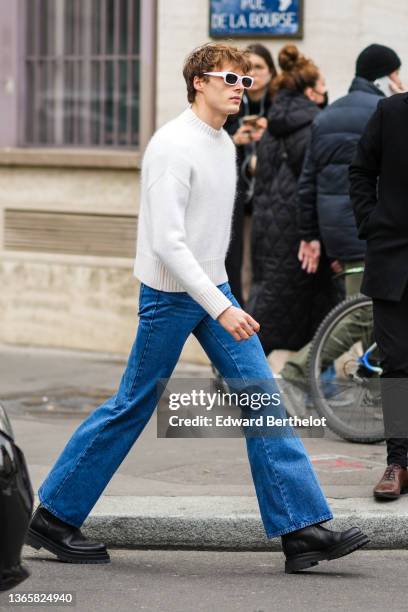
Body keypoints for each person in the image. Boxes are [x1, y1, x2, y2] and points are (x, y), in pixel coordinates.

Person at [26, 42, 368, 573]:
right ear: (198, 83)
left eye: (244, 81)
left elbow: (210, 237)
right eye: (230, 79)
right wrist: (221, 304)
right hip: (169, 296)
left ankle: (301, 530)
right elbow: (168, 242)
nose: (240, 88)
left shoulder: (222, 144)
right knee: (133, 405)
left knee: (262, 398)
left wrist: (224, 295)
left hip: (213, 289)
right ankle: (54, 515)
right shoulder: (172, 146)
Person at [280, 44, 403, 395]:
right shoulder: (385, 112)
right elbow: (380, 177)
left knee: (374, 317)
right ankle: (296, 371)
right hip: (374, 231)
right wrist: (372, 222)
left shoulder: (328, 114)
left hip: (341, 230)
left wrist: (312, 234)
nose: (399, 80)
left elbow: (309, 181)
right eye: (394, 73)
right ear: (382, 76)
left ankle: (380, 398)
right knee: (365, 315)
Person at [246, 45, 341, 359]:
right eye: (324, 86)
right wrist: (313, 234)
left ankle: (241, 371)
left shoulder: (273, 124)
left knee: (270, 302)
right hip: (300, 235)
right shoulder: (316, 126)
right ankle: (312, 384)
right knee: (319, 309)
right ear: (312, 93)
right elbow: (314, 184)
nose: (327, 93)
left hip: (268, 229)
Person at [350, 84, 408, 501]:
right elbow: (359, 170)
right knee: (397, 365)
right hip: (394, 260)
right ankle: (399, 463)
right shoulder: (391, 112)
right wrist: (372, 222)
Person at [224, 43, 277, 306]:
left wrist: (269, 136)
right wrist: (235, 140)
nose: (253, 74)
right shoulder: (230, 103)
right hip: (240, 199)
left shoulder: (281, 105)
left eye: (259, 67)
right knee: (240, 263)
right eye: (248, 68)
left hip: (273, 199)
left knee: (269, 261)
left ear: (271, 71)